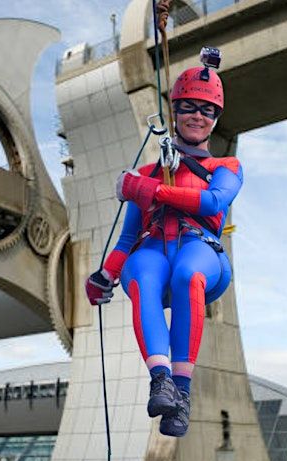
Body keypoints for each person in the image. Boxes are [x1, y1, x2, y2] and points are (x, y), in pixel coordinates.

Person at [85, 59, 242, 437]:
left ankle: (182, 393)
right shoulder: (145, 174)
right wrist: (105, 275)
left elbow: (212, 203)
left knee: (189, 272)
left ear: (216, 118)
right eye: (188, 106)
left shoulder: (226, 165)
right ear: (175, 111)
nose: (197, 116)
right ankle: (162, 380)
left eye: (207, 110)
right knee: (141, 273)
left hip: (200, 248)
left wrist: (149, 190)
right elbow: (127, 239)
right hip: (155, 247)